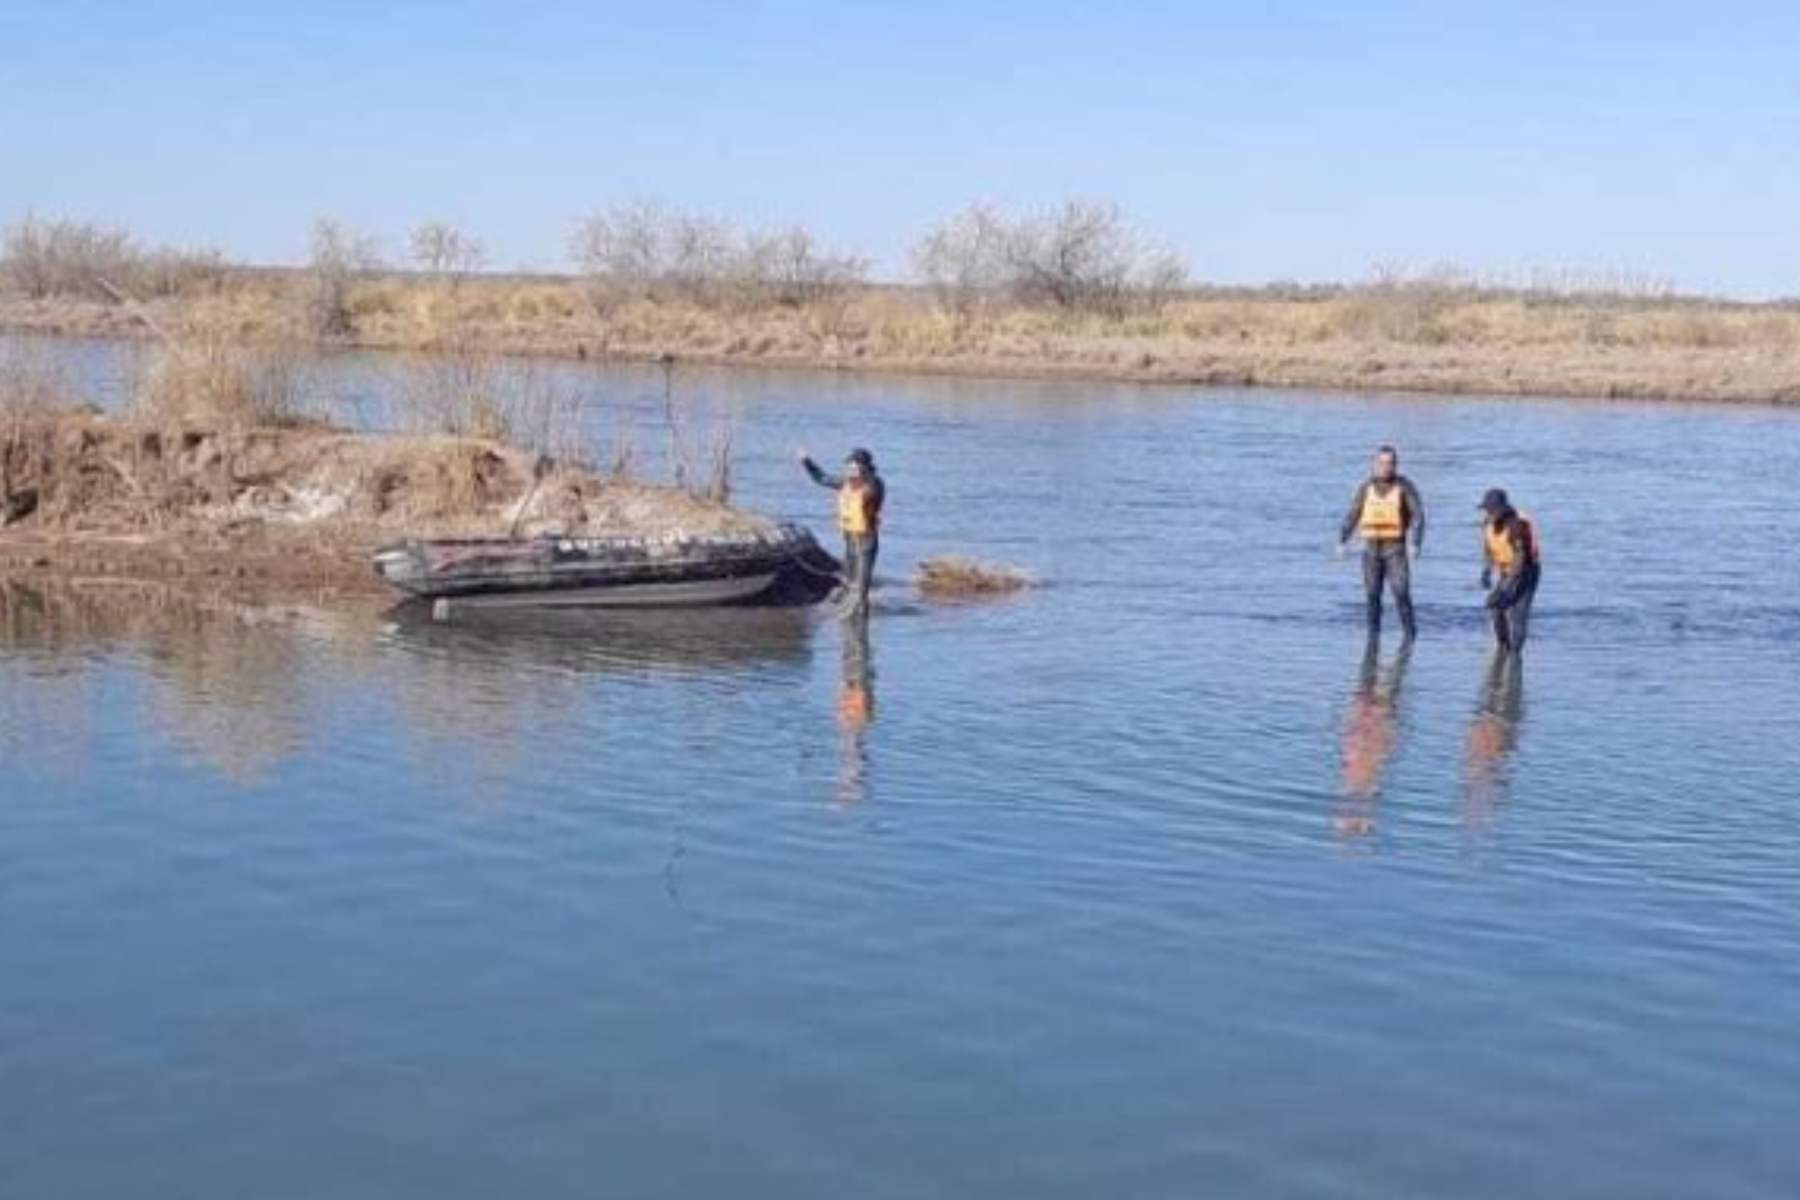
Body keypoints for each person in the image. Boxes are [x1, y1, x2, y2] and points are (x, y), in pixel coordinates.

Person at [1338, 445, 1426, 640]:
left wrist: (1416, 543)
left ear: (1396, 465)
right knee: (1372, 596)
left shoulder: (1405, 487)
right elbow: (1353, 514)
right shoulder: (1365, 488)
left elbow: (1418, 515)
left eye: (1391, 463)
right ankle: (1373, 637)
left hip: (1395, 550)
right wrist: (1342, 540)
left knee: (1401, 593)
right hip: (1370, 551)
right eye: (1382, 463)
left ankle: (1410, 635)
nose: (1387, 467)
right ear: (1374, 464)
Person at [798, 446, 885, 617]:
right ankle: (848, 623)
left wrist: (861, 477)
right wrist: (806, 461)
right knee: (849, 582)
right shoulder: (846, 482)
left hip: (866, 541)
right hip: (850, 540)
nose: (850, 469)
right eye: (848, 465)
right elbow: (821, 478)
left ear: (864, 467)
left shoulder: (874, 484)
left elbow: (872, 492)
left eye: (854, 465)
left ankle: (860, 626)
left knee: (861, 589)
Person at [1477, 488, 1541, 654]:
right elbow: (1489, 549)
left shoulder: (1515, 526)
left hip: (1527, 571)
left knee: (1518, 614)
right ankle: (1503, 647)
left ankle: (1515, 654)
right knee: (1495, 607)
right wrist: (1486, 571)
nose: (1488, 513)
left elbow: (1520, 559)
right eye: (1486, 509)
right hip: (1506, 571)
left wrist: (1506, 589)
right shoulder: (1487, 524)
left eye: (1491, 509)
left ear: (1502, 509)